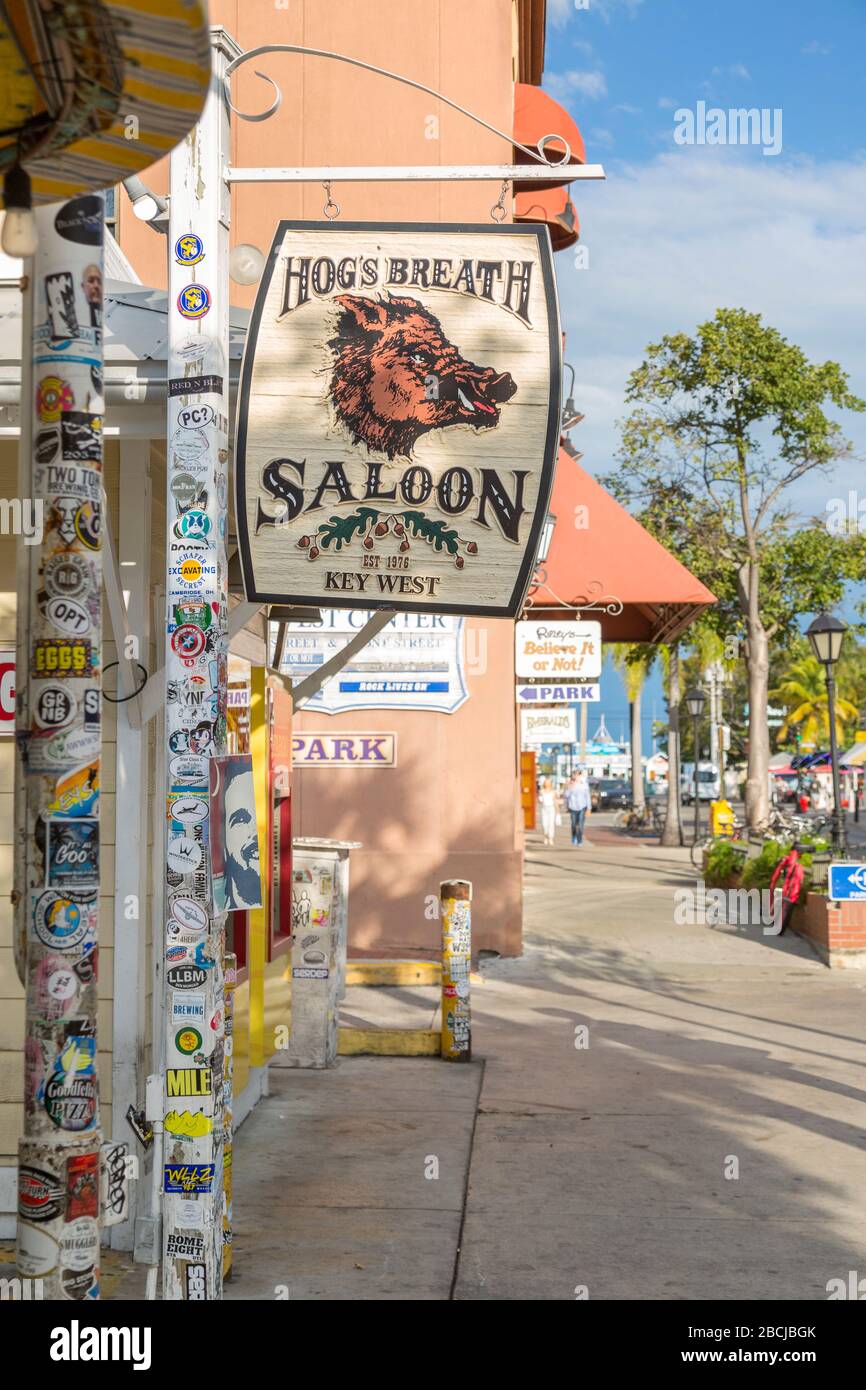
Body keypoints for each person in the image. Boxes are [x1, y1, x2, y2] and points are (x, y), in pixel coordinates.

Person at [768, 842, 805, 936]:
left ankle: (775, 920)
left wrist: (773, 883)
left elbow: (778, 872)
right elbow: (798, 878)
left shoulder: (787, 859)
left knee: (779, 903)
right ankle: (778, 924)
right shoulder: (796, 863)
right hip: (790, 890)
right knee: (784, 906)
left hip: (784, 886)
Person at [564, 769, 592, 847]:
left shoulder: (584, 785)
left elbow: (587, 796)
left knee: (580, 825)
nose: (577, 776)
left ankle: (580, 841)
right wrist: (569, 787)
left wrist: (589, 808)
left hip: (582, 807)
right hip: (573, 807)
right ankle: (574, 836)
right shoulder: (570, 784)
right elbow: (566, 796)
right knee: (573, 824)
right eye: (576, 774)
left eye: (579, 774)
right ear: (573, 776)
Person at [538, 777, 558, 846]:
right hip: (544, 809)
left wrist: (558, 812)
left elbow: (555, 802)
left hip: (551, 809)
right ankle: (545, 836)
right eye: (546, 782)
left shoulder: (553, 792)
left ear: (550, 784)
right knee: (544, 825)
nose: (547, 783)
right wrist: (540, 797)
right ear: (544, 783)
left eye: (548, 782)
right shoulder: (542, 791)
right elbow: (540, 801)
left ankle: (550, 838)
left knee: (551, 824)